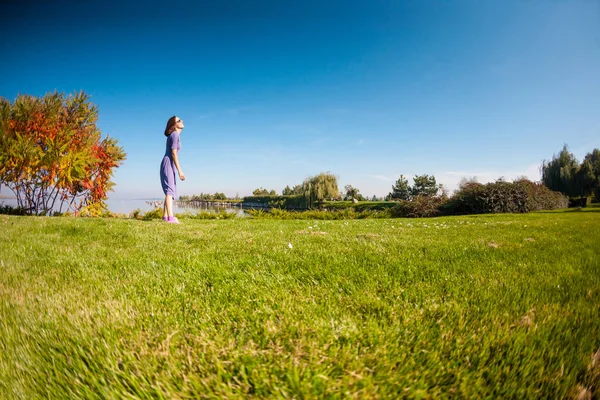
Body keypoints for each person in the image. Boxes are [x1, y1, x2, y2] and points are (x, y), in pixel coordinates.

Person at [160, 116, 185, 223]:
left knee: (169, 191)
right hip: (168, 163)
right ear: (174, 125)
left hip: (169, 164)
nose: (182, 121)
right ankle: (171, 217)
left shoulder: (174, 135)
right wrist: (180, 171)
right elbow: (174, 153)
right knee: (170, 191)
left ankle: (165, 216)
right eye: (179, 120)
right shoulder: (174, 135)